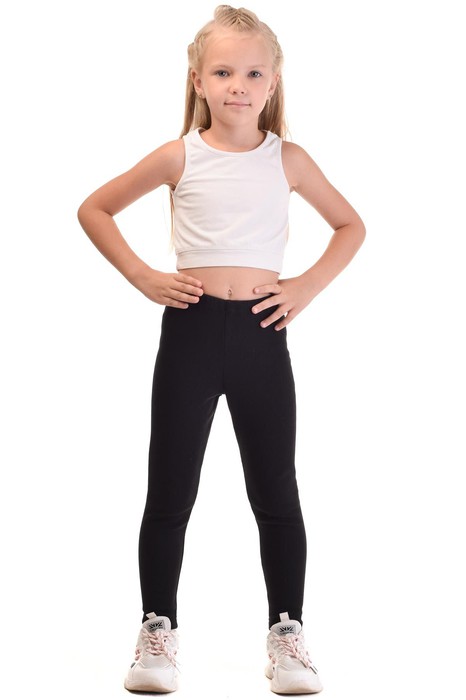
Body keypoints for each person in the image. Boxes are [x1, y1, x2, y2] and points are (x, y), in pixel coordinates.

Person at [77, 4, 365, 695]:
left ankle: (287, 632)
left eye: (254, 73)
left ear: (274, 82)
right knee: (171, 488)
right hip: (192, 332)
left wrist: (305, 287)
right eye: (224, 72)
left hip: (264, 336)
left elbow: (350, 225)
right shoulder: (180, 155)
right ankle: (157, 628)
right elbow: (95, 208)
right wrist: (142, 275)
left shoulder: (288, 159)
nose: (239, 85)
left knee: (276, 491)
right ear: (198, 80)